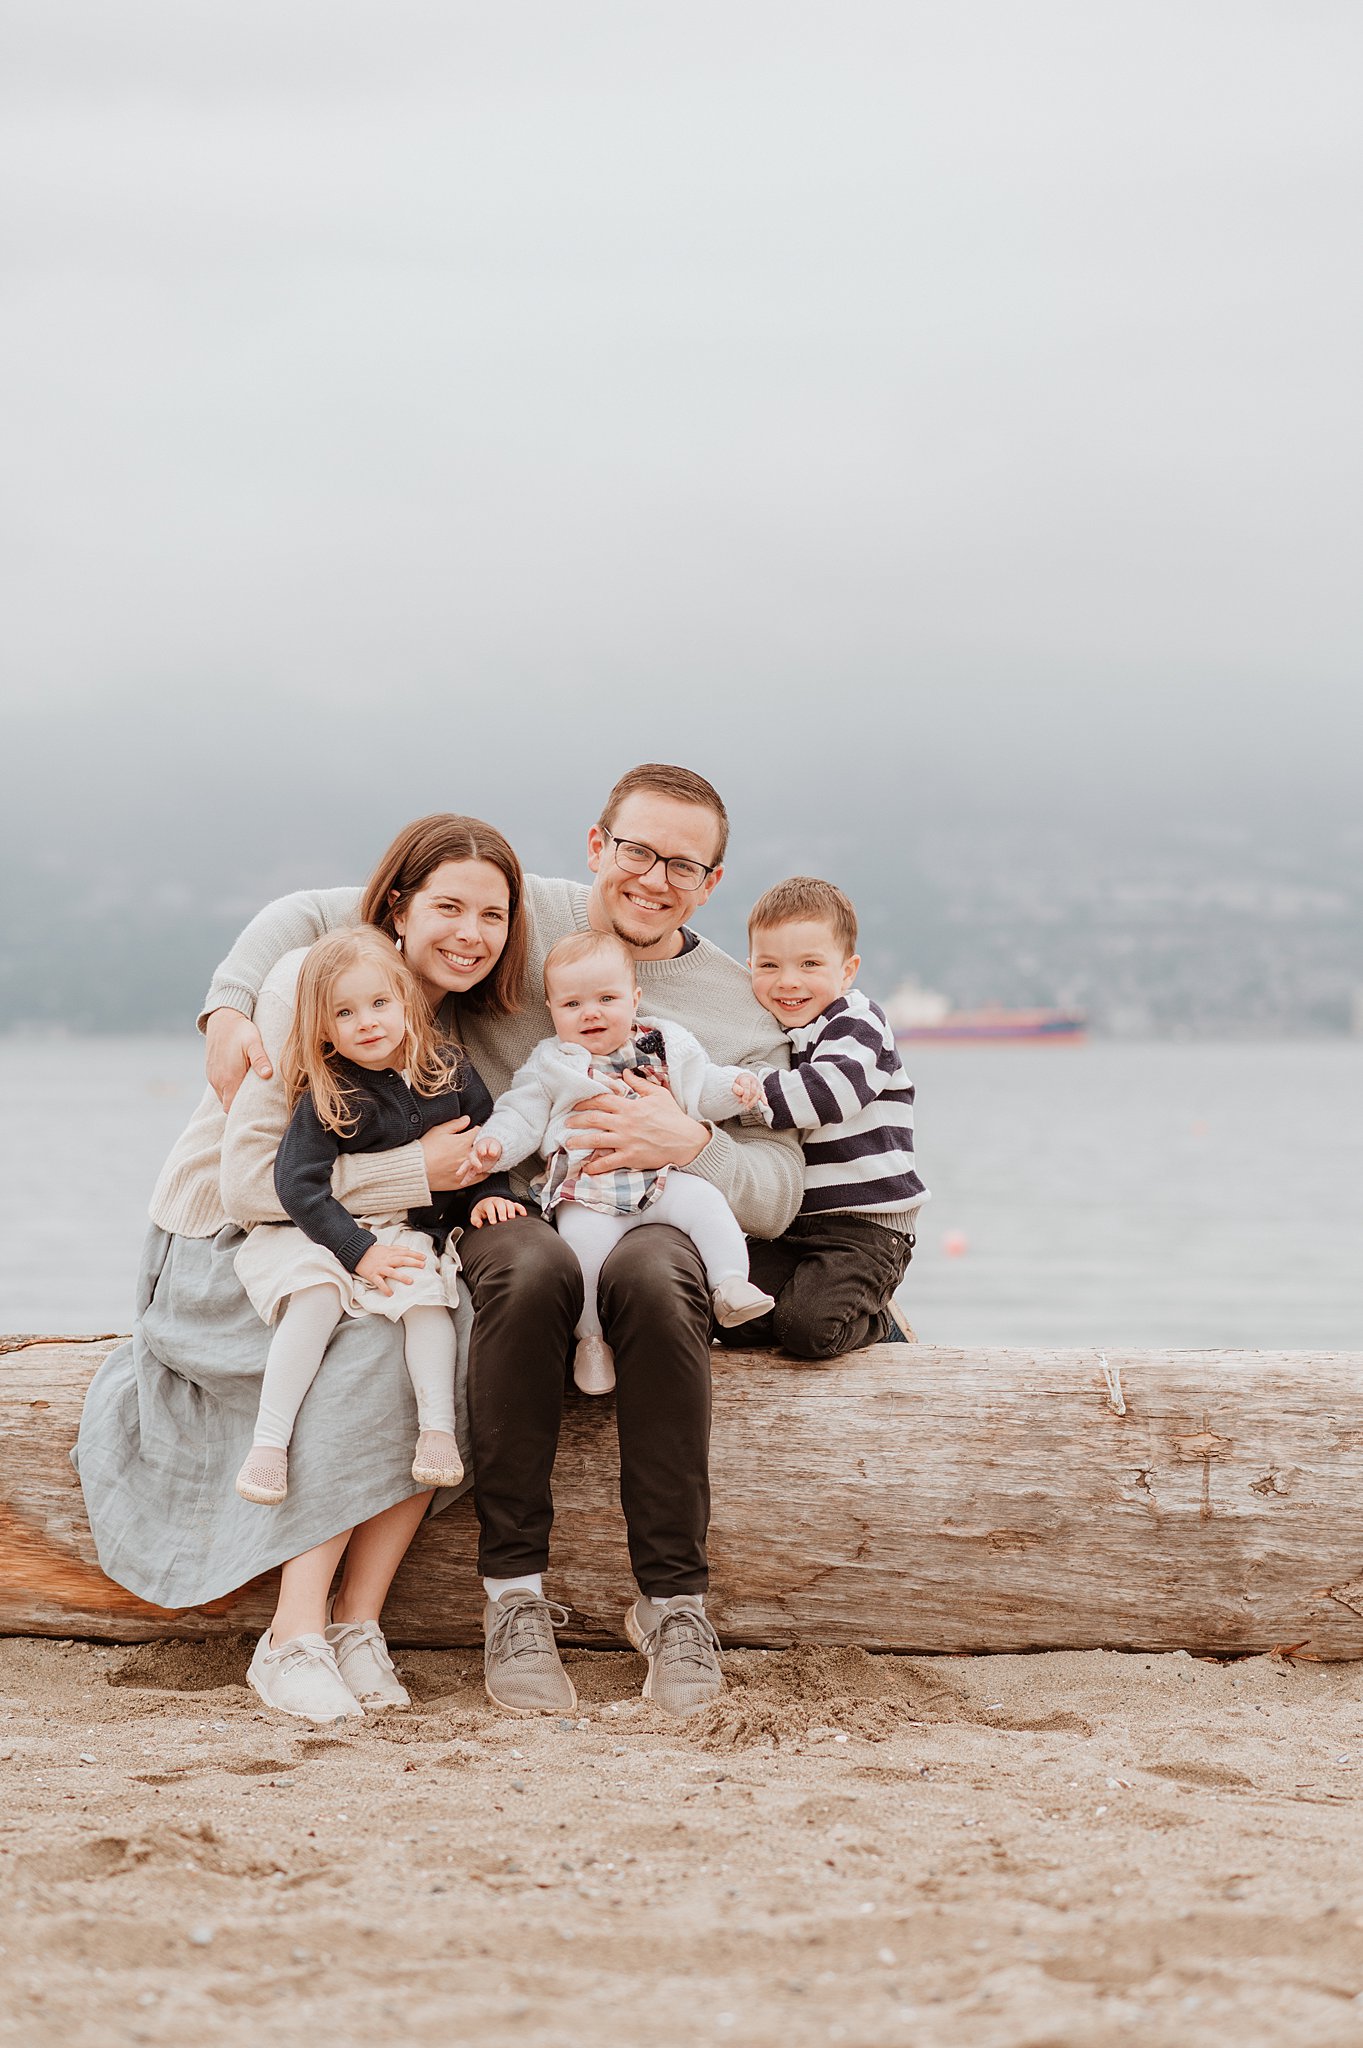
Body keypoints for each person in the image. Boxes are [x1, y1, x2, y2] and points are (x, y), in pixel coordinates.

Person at [201, 764, 804, 1718]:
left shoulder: (738, 1004)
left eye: (683, 865)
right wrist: (229, 1000)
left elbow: (780, 1184)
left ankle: (674, 1605)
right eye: (636, 851)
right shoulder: (537, 915)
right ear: (599, 846)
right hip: (500, 1206)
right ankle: (511, 1599)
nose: (652, 880)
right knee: (525, 1272)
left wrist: (692, 1143)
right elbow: (323, 912)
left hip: (660, 1205)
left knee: (653, 1277)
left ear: (713, 882)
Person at [75, 814, 529, 1722]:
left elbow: (585, 905)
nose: (471, 933)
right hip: (227, 1242)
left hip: (355, 1242)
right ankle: (289, 1635)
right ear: (398, 906)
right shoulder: (313, 986)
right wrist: (418, 1173)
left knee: (448, 1330)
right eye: (447, 906)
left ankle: (357, 1622)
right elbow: (251, 1186)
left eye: (494, 913)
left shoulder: (436, 1020)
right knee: (362, 1353)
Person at [234, 926, 521, 1513]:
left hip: (408, 1232)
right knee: (314, 1298)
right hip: (324, 1232)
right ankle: (268, 1443)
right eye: (345, 1011)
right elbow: (297, 1186)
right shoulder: (328, 1092)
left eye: (380, 1004)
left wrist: (488, 1191)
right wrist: (356, 1251)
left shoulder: (451, 1070)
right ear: (322, 1027)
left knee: (427, 1300)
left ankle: (436, 1432)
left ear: (407, 1004)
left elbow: (486, 1141)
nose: (367, 1022)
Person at [462, 930, 774, 1397]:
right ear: (551, 1010)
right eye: (572, 1005)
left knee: (708, 1204)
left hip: (664, 1177)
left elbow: (701, 1084)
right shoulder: (552, 1062)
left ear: (635, 999)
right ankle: (591, 1341)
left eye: (607, 998)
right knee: (579, 1251)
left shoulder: (665, 1042)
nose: (591, 1012)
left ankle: (730, 1285)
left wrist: (736, 1087)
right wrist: (494, 1144)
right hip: (588, 1189)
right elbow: (521, 1112)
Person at [724, 875, 929, 1357]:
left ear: (847, 969)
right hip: (792, 1228)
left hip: (866, 1227)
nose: (787, 981)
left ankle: (877, 1318)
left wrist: (737, 1091)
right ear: (749, 966)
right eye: (769, 965)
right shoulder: (772, 1034)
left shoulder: (859, 1023)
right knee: (728, 1312)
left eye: (810, 964)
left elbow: (824, 1096)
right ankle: (819, 1302)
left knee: (809, 1330)